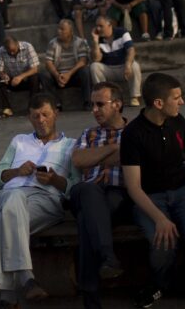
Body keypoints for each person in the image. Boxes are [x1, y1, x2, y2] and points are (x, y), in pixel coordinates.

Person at [121, 72, 185, 305]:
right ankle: (159, 283)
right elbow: (133, 187)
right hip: (150, 197)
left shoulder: (178, 121)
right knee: (162, 240)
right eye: (177, 97)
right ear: (159, 103)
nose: (182, 102)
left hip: (182, 190)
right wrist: (159, 218)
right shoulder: (133, 134)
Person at [0, 93, 79, 307]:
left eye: (45, 114)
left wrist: (55, 179)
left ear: (55, 114)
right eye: (35, 116)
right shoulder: (19, 141)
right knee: (14, 198)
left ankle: (7, 295)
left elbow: (75, 186)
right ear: (30, 118)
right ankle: (27, 279)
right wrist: (16, 171)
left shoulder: (71, 145)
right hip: (10, 193)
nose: (41, 120)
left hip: (45, 201)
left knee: (0, 220)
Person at [69, 82, 131, 309]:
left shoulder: (133, 132)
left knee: (87, 220)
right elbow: (78, 160)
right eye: (92, 105)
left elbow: (132, 160)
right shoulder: (89, 133)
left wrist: (95, 156)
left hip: (119, 195)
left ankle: (91, 296)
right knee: (86, 190)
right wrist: (114, 150)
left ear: (117, 104)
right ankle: (107, 256)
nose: (94, 110)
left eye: (100, 104)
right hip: (86, 192)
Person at [90, 16, 143, 107]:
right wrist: (95, 41)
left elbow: (131, 50)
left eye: (101, 26)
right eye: (97, 26)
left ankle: (134, 97)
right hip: (109, 69)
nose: (98, 29)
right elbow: (96, 59)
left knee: (135, 65)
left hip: (124, 68)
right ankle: (103, 97)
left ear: (109, 25)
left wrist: (128, 63)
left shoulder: (122, 32)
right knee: (94, 66)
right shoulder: (98, 38)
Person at [42, 18, 92, 110]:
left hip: (74, 75)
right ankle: (55, 104)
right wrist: (57, 76)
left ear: (71, 31)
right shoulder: (53, 43)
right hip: (59, 76)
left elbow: (83, 61)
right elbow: (48, 62)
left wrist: (69, 74)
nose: (59, 31)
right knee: (44, 75)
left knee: (85, 70)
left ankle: (87, 102)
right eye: (58, 28)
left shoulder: (80, 42)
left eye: (62, 29)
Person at [0, 37, 42, 119]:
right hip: (11, 79)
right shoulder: (1, 51)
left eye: (14, 50)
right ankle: (6, 109)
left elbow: (35, 69)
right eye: (9, 51)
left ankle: (33, 106)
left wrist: (20, 77)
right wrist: (3, 75)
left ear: (17, 44)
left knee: (35, 78)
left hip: (26, 78)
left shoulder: (28, 47)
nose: (12, 53)